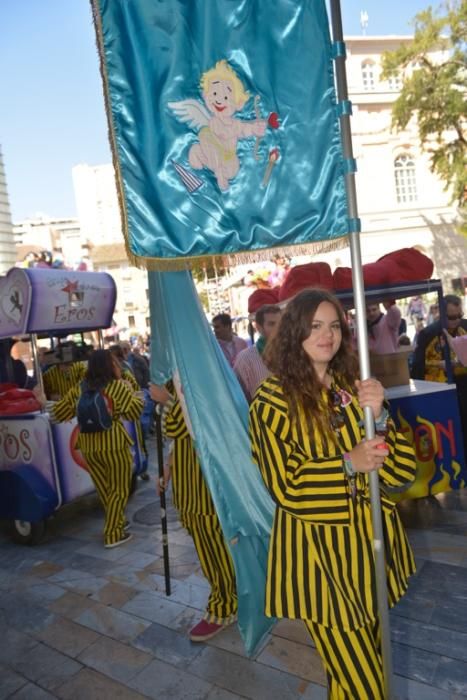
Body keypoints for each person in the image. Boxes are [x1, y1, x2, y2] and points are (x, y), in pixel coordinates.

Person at [249, 289, 416, 699]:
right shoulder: (270, 402)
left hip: (368, 554)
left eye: (334, 326)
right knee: (368, 687)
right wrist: (347, 462)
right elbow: (285, 485)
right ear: (294, 334)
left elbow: (401, 472)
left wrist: (381, 416)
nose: (328, 335)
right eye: (315, 326)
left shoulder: (350, 390)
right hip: (320, 565)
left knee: (354, 677)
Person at [150, 380, 237, 642]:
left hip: (204, 486)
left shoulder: (192, 378)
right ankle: (229, 597)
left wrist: (166, 398)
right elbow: (179, 438)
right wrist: (169, 467)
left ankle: (225, 605)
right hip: (192, 486)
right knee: (210, 547)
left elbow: (179, 425)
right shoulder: (182, 376)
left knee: (214, 548)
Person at [53, 349, 143, 548]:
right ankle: (112, 534)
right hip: (114, 445)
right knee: (119, 489)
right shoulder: (117, 387)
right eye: (115, 363)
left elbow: (59, 413)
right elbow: (135, 412)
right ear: (109, 366)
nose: (118, 366)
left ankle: (118, 521)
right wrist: (130, 389)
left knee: (105, 489)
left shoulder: (80, 387)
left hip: (88, 446)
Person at [411, 294, 467, 456]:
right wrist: (441, 365)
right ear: (441, 314)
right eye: (451, 317)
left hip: (463, 384)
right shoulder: (428, 333)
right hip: (440, 389)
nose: (456, 320)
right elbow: (418, 366)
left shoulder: (465, 327)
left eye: (460, 315)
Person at [234, 304, 281, 402]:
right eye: (272, 324)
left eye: (281, 323)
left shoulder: (294, 354)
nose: (278, 329)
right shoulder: (245, 360)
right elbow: (239, 398)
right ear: (259, 328)